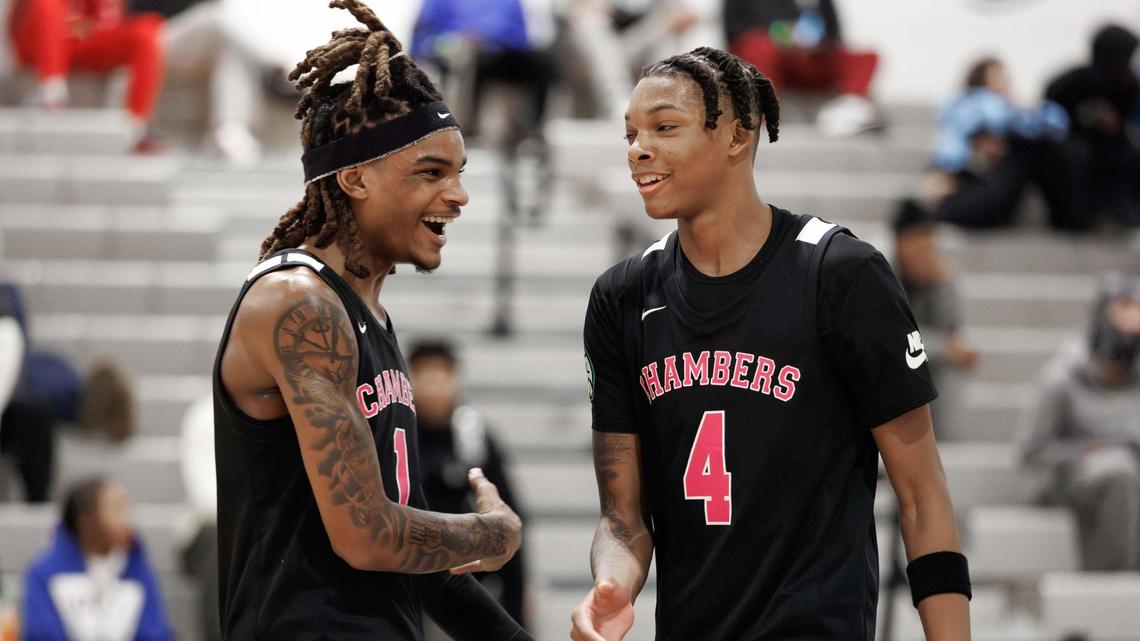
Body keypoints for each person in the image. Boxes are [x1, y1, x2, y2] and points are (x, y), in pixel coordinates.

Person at [571, 46, 971, 641]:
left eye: (664, 128)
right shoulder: (621, 297)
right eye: (630, 133)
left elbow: (921, 496)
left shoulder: (841, 274)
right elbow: (623, 520)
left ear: (738, 135)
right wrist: (612, 585)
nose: (638, 149)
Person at [212, 2, 527, 640]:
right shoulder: (298, 303)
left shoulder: (366, 313)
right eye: (431, 173)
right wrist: (488, 532)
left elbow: (408, 545)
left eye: (459, 173)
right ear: (355, 177)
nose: (459, 195)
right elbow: (365, 533)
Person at [1016, 277, 1140, 571]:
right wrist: (1085, 449)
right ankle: (1114, 579)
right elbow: (1030, 452)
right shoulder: (1061, 379)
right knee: (1118, 468)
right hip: (1069, 477)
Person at [407, 340, 529, 632]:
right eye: (425, 375)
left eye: (442, 375)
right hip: (411, 579)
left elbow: (509, 515)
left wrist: (517, 603)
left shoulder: (474, 437)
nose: (434, 386)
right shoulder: (400, 432)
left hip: (470, 581)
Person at [928, 57, 1082, 230]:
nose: (1005, 83)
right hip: (967, 186)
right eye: (998, 77)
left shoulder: (1006, 111)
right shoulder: (980, 106)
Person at [21, 478, 173, 641]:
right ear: (87, 519)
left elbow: (155, 632)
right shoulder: (44, 572)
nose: (127, 520)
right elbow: (40, 634)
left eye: (127, 509)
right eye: (117, 509)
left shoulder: (138, 568)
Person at [7, 0, 166, 152]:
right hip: (39, 41)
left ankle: (135, 129)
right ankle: (51, 92)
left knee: (147, 30)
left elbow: (106, 21)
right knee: (48, 4)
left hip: (81, 41)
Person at [723, 0, 880, 136]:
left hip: (808, 61)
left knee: (866, 58)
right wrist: (784, 36)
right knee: (759, 48)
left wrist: (814, 44)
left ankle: (850, 109)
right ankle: (760, 114)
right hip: (767, 60)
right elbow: (736, 32)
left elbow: (835, 37)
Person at [892, 199, 978, 440]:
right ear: (900, 241)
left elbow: (956, 334)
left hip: (921, 355)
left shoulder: (937, 273)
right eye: (919, 246)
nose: (925, 254)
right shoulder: (875, 268)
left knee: (953, 361)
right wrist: (943, 348)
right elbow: (886, 337)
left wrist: (940, 286)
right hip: (883, 360)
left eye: (929, 246)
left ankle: (941, 441)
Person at [1046, 24, 1140, 227]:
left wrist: (1114, 124)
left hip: (1113, 146)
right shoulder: (1073, 81)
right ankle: (1081, 219)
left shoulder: (1127, 83)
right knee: (1076, 156)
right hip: (1075, 145)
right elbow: (1053, 113)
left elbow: (1123, 123)